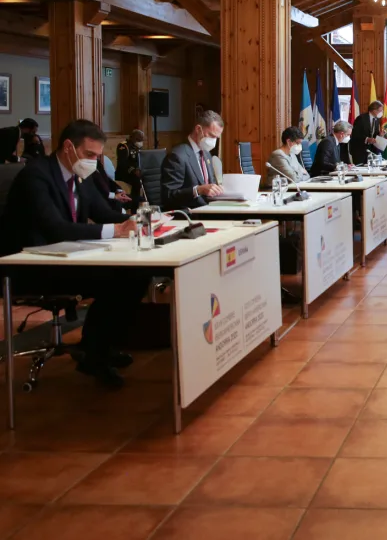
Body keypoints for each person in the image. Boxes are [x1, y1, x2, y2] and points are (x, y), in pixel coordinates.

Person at [0, 119, 144, 388]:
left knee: (136, 275)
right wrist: (116, 230)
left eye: (97, 156)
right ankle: (94, 354)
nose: (93, 161)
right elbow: (55, 228)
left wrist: (139, 220)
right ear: (68, 147)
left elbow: (102, 213)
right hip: (32, 265)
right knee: (117, 279)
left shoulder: (80, 176)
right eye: (89, 154)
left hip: (66, 257)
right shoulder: (36, 175)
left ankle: (98, 347)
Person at [162, 110, 224, 209]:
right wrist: (197, 190)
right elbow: (169, 196)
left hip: (209, 208)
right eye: (212, 136)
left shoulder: (207, 153)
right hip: (190, 212)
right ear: (198, 129)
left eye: (217, 138)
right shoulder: (177, 156)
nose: (214, 142)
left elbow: (210, 185)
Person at [349, 100, 384, 164]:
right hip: (359, 150)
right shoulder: (361, 118)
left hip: (370, 151)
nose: (381, 112)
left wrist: (380, 135)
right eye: (380, 110)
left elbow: (373, 134)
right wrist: (367, 139)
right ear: (374, 110)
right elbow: (355, 134)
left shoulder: (376, 120)